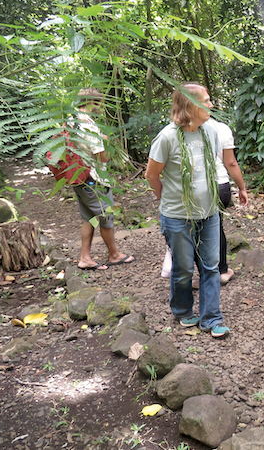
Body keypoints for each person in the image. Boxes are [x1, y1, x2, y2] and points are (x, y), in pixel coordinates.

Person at [145, 83, 230, 339]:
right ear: (190, 105)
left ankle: (211, 318)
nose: (211, 104)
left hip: (209, 213)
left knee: (211, 266)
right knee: (182, 269)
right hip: (177, 216)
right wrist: (166, 200)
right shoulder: (167, 137)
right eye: (206, 100)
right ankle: (182, 311)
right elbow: (152, 175)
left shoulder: (211, 132)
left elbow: (212, 168)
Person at [160, 116, 249, 287]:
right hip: (221, 185)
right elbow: (230, 162)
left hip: (194, 186)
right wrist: (241, 187)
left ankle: (201, 274)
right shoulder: (221, 128)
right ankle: (221, 271)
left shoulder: (177, 130)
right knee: (215, 228)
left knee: (192, 229)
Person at [72, 88, 135, 270]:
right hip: (94, 178)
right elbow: (103, 157)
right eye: (100, 103)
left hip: (79, 176)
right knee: (105, 217)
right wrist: (106, 142)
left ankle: (85, 258)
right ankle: (114, 255)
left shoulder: (71, 120)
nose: (101, 107)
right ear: (94, 102)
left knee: (89, 218)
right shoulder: (88, 126)